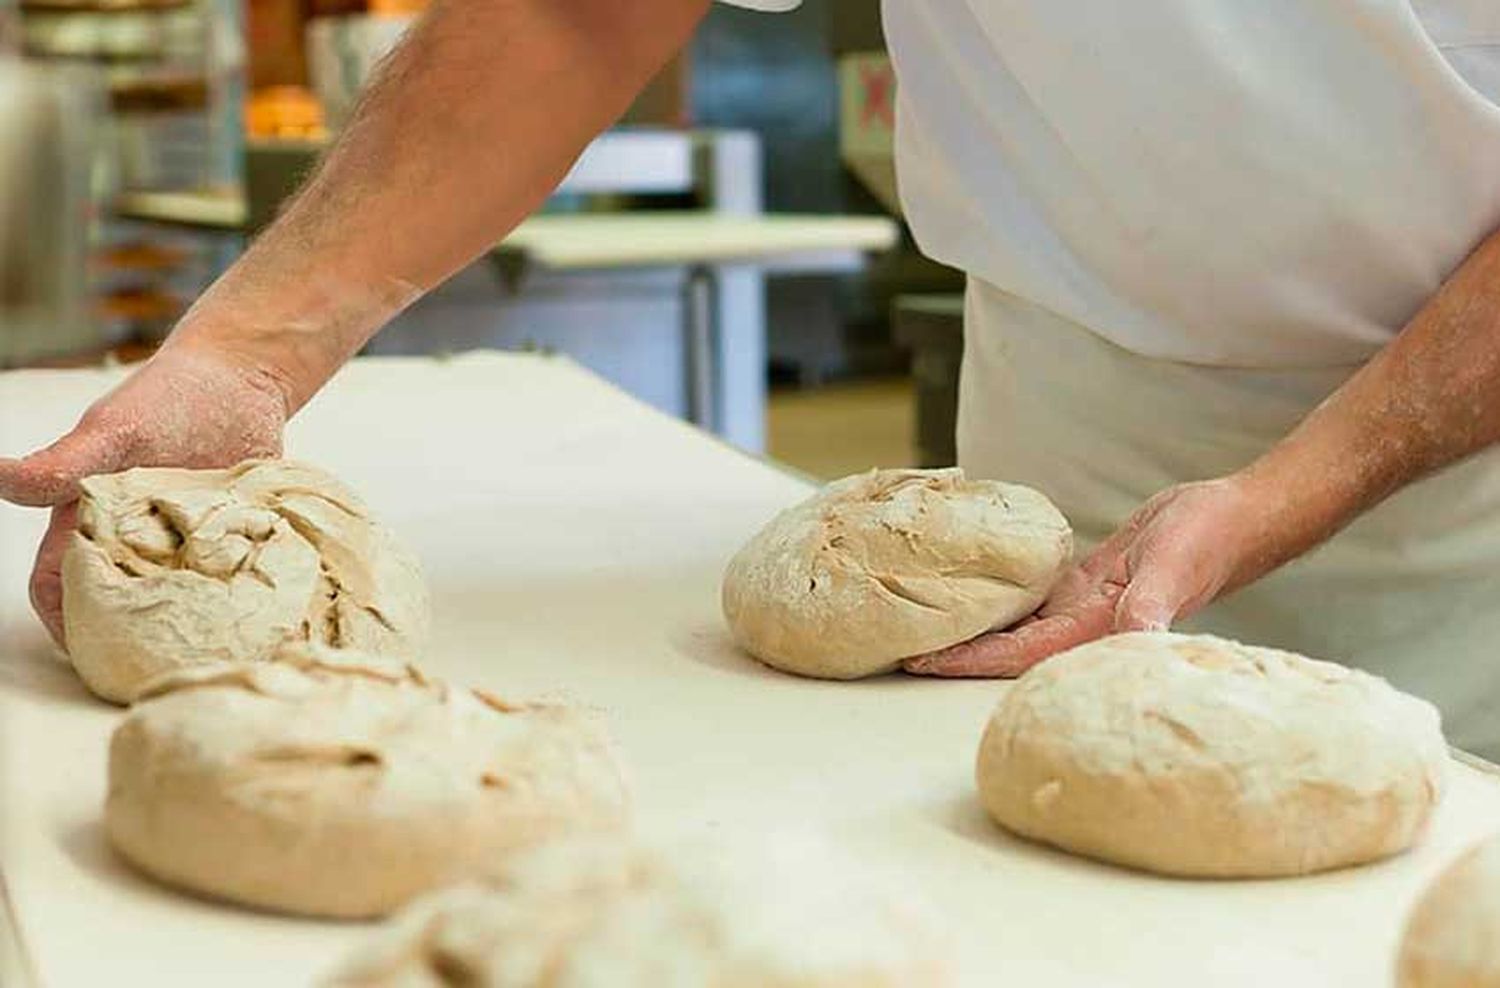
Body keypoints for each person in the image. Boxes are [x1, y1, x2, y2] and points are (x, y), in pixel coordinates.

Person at [5, 0, 1500, 755]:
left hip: (1461, 489)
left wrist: (1281, 496)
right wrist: (243, 351)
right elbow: (571, 14)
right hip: (1055, 454)